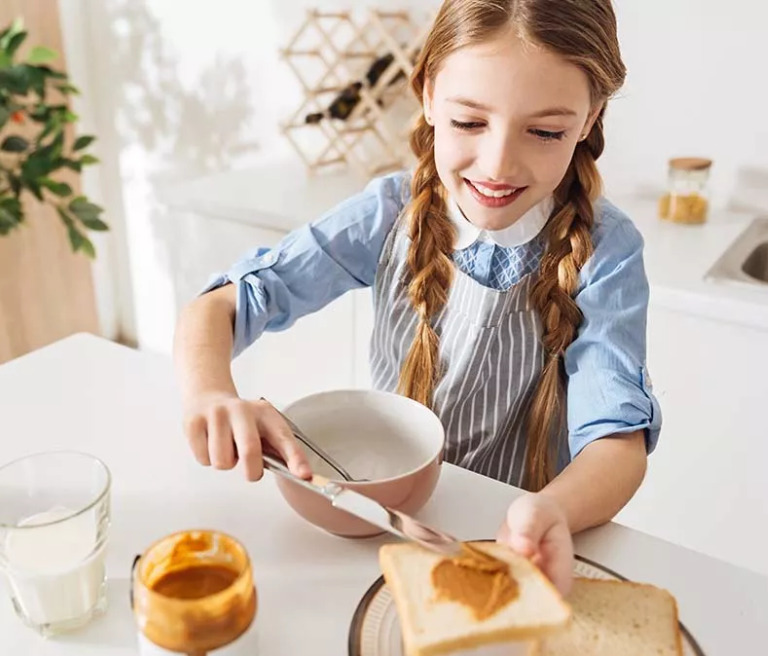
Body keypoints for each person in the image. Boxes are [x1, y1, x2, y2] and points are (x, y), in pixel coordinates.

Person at [172, 0, 661, 595]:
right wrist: (211, 393)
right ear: (429, 94)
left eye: (545, 131)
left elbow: (617, 444)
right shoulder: (387, 213)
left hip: (520, 543)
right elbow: (219, 306)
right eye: (469, 123)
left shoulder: (607, 252)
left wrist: (552, 510)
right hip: (384, 527)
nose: (498, 164)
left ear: (589, 120)